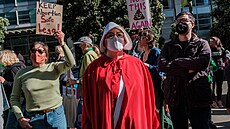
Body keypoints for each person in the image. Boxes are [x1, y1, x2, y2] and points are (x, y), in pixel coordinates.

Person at [82, 22, 160, 129]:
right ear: (104, 42)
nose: (115, 38)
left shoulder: (137, 65)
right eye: (110, 35)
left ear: (125, 40)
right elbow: (88, 104)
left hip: (134, 123)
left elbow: (148, 99)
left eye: (119, 35)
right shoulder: (94, 69)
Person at [10, 30, 76, 129]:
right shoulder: (22, 73)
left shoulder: (54, 67)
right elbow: (14, 98)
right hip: (34, 117)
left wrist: (62, 43)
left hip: (56, 114)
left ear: (46, 56)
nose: (36, 53)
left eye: (40, 51)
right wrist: (20, 118)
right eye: (33, 50)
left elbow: (71, 63)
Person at [158, 12, 212, 129]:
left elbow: (202, 62)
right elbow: (162, 66)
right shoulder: (168, 46)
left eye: (184, 21)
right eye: (178, 21)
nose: (180, 24)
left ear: (192, 24)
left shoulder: (202, 44)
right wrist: (187, 69)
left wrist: (175, 62)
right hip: (175, 99)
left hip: (198, 98)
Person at [0, 50, 26, 129]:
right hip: (20, 102)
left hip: (17, 102)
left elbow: (17, 85)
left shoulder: (14, 69)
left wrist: (4, 81)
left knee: (11, 126)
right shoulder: (19, 67)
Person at [209, 36, 226, 108]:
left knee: (219, 85)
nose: (211, 43)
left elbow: (224, 57)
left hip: (220, 69)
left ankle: (219, 100)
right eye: (210, 42)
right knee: (212, 86)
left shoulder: (221, 49)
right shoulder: (209, 49)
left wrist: (224, 63)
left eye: (213, 41)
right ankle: (213, 101)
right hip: (212, 69)